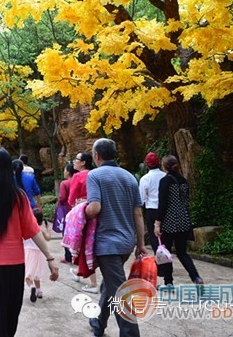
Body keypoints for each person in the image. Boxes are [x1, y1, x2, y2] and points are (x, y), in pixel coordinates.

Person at [0, 147, 59, 337]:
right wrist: (49, 257)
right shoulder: (19, 197)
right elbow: (33, 230)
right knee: (9, 314)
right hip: (14, 266)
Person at [85, 138, 147, 337]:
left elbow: (94, 208)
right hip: (126, 243)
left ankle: (130, 333)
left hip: (107, 243)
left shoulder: (95, 175)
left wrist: (79, 213)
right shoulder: (130, 177)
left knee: (120, 291)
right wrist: (141, 244)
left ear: (97, 155)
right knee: (111, 284)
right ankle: (98, 322)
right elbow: (138, 213)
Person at [154, 155, 204, 287]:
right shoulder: (183, 181)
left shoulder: (165, 181)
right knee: (182, 252)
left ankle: (168, 282)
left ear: (164, 167)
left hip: (169, 221)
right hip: (183, 220)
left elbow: (163, 204)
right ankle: (196, 277)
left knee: (166, 252)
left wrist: (157, 223)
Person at [67, 151, 98, 293]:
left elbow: (70, 199)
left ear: (83, 162)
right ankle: (79, 271)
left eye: (76, 159)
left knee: (85, 246)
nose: (74, 161)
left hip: (83, 215)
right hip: (97, 214)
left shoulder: (78, 176)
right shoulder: (95, 174)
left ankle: (93, 284)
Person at [139, 152, 166, 254]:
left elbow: (142, 198)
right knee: (165, 236)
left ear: (147, 164)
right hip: (165, 210)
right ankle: (166, 257)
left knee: (154, 237)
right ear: (159, 163)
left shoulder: (145, 179)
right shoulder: (165, 176)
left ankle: (159, 258)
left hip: (152, 210)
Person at [24, 208, 52, 302]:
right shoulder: (40, 229)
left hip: (29, 252)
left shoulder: (27, 227)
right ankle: (39, 291)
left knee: (28, 275)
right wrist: (48, 229)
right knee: (36, 275)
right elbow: (48, 238)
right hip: (40, 253)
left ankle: (31, 287)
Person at [58, 163, 78, 263]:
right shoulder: (78, 181)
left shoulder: (64, 183)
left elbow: (62, 198)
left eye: (65, 170)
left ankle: (68, 256)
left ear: (68, 172)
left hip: (67, 209)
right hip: (78, 209)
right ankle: (77, 255)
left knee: (66, 232)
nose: (64, 172)